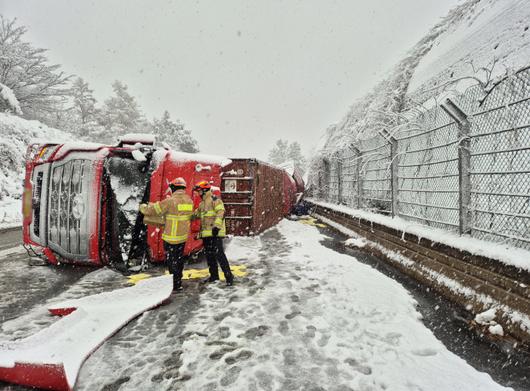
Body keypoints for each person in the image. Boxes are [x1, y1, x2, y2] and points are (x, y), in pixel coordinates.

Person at [139, 177, 193, 291]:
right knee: (179, 260)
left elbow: (153, 210)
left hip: (171, 237)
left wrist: (143, 207)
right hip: (182, 237)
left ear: (173, 188)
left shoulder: (170, 201)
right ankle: (178, 280)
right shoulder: (189, 200)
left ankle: (174, 284)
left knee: (171, 261)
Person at [193, 181, 234, 286]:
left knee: (219, 255)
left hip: (215, 234)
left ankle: (229, 277)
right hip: (207, 235)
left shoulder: (215, 200)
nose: (198, 193)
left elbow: (221, 212)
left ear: (204, 190)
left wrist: (216, 226)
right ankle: (214, 277)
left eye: (199, 191)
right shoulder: (202, 204)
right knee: (210, 256)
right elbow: (195, 215)